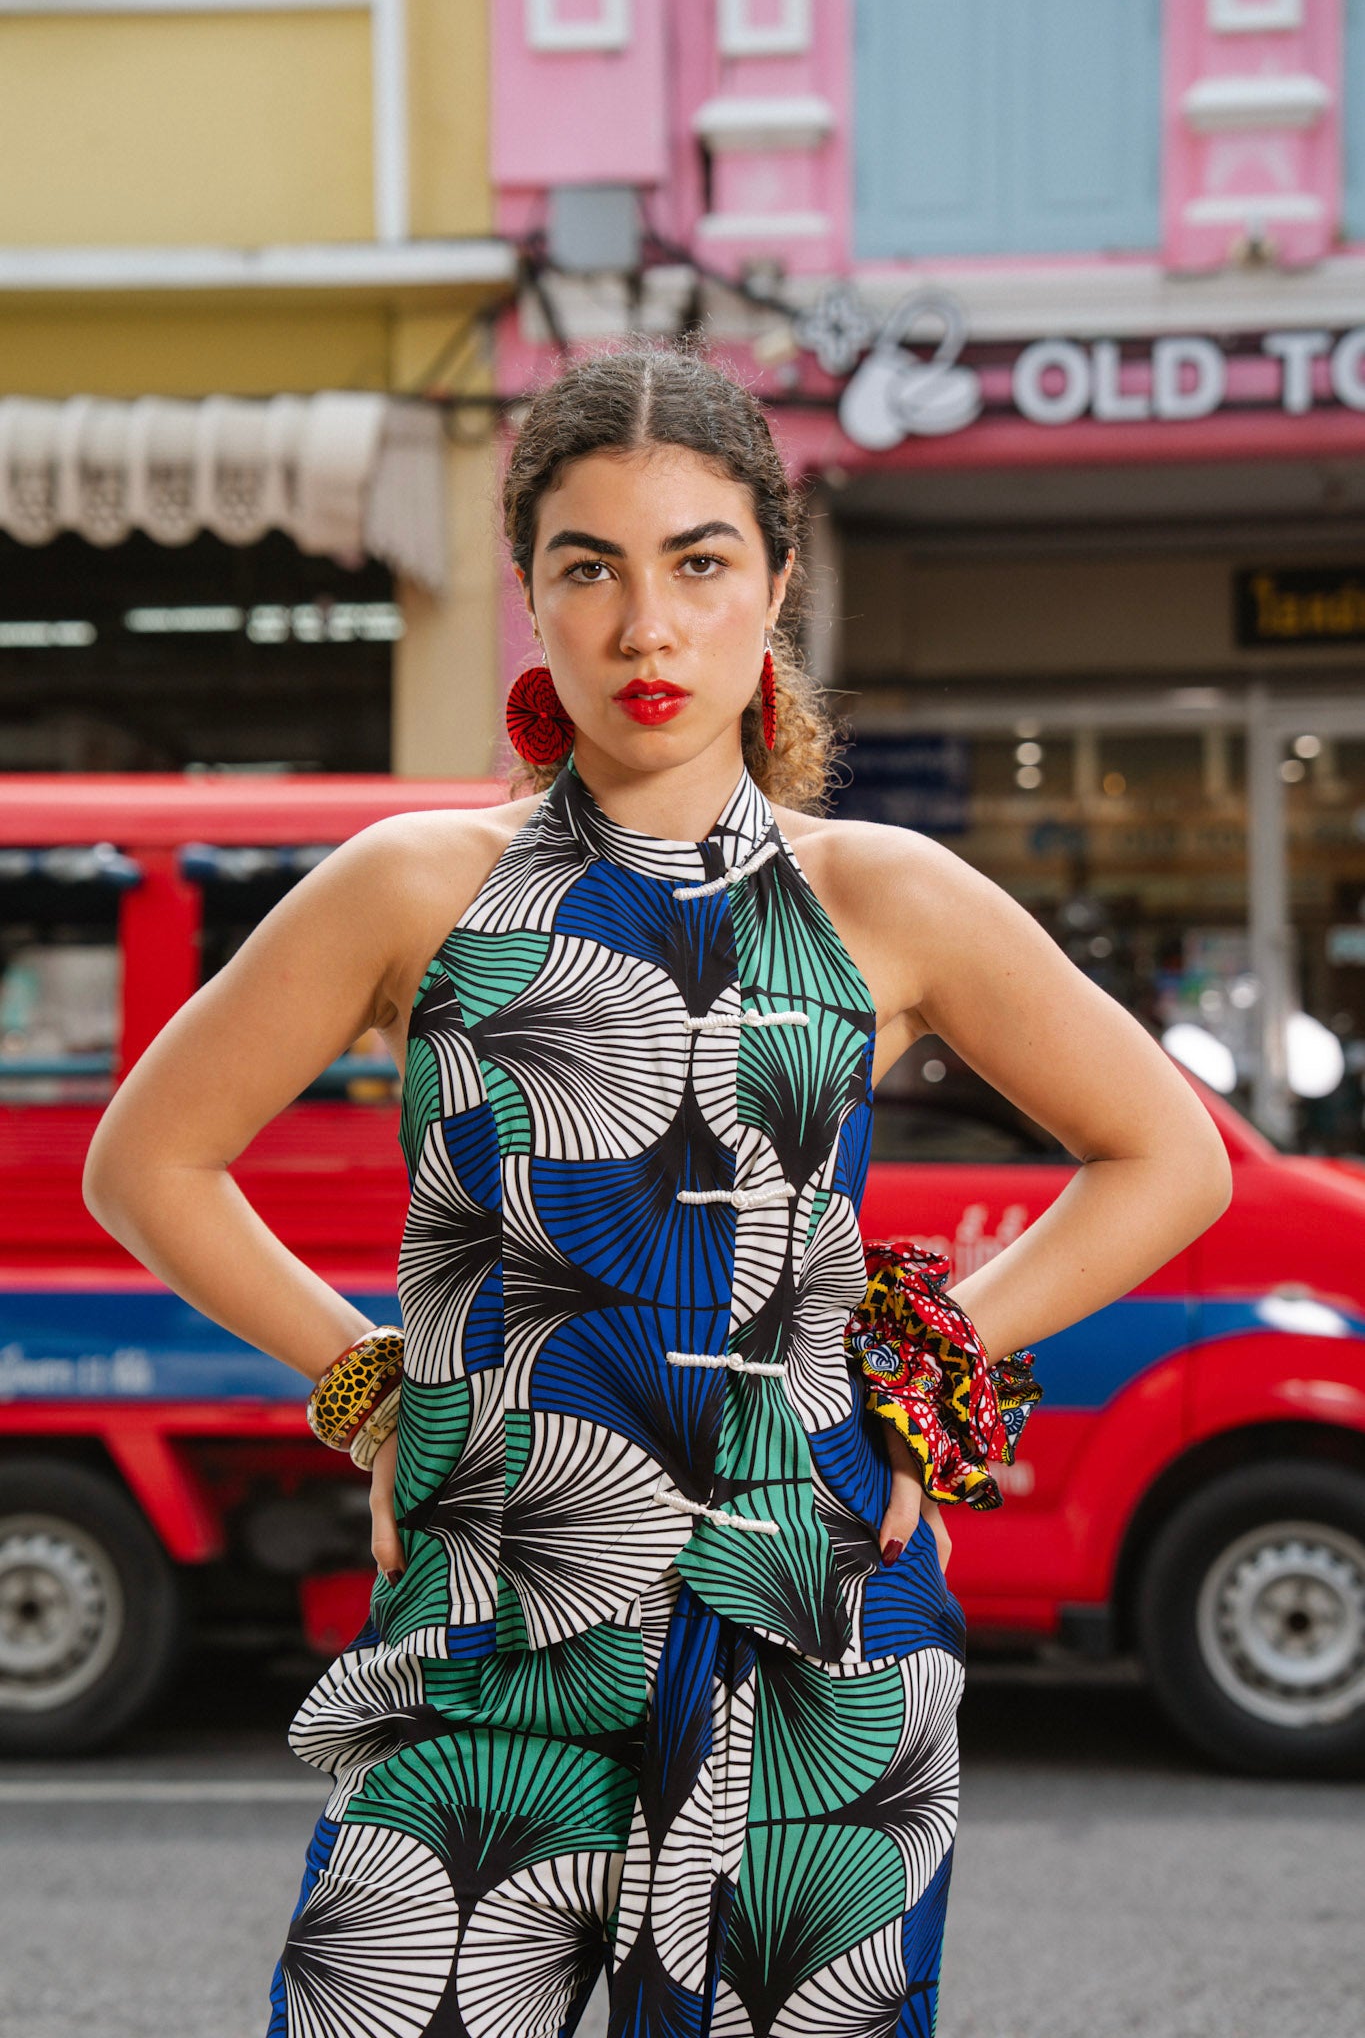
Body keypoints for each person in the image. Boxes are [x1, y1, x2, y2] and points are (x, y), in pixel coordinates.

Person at [82, 341, 1232, 2038]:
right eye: (589, 568)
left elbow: (1170, 1159)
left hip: (821, 1626)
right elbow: (147, 1165)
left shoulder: (883, 894)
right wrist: (374, 1394)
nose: (647, 628)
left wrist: (916, 1370)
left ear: (773, 582)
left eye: (698, 564)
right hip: (494, 1619)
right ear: (529, 594)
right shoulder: (413, 885)